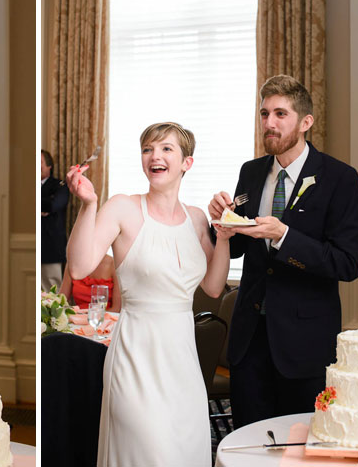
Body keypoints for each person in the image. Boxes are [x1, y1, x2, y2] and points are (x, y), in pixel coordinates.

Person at [66, 122, 233, 467]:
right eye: (148, 149)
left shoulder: (197, 219)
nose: (155, 156)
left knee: (186, 451)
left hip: (183, 361)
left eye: (166, 149)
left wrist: (226, 237)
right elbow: (80, 267)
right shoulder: (122, 207)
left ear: (187, 162)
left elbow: (214, 287)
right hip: (135, 356)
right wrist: (89, 204)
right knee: (148, 452)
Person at [208, 74, 358, 428]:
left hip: (304, 345)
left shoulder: (341, 179)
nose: (269, 124)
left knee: (301, 445)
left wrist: (284, 236)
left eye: (280, 114)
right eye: (264, 114)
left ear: (306, 122)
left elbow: (347, 263)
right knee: (248, 442)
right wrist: (221, 222)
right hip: (248, 343)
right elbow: (236, 249)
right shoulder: (250, 172)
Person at [41, 149, 69, 290]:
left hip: (51, 247)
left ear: (48, 165)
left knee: (53, 291)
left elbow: (53, 205)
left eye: (39, 162)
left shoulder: (60, 185)